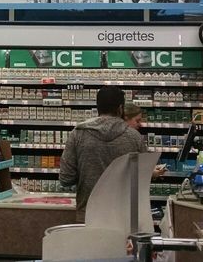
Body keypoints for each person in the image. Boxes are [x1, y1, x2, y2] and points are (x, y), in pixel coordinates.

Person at [59, 87, 147, 222]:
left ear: (98, 107)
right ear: (120, 109)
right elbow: (142, 177)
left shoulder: (78, 134)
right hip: (123, 216)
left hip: (88, 214)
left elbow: (66, 178)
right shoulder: (134, 137)